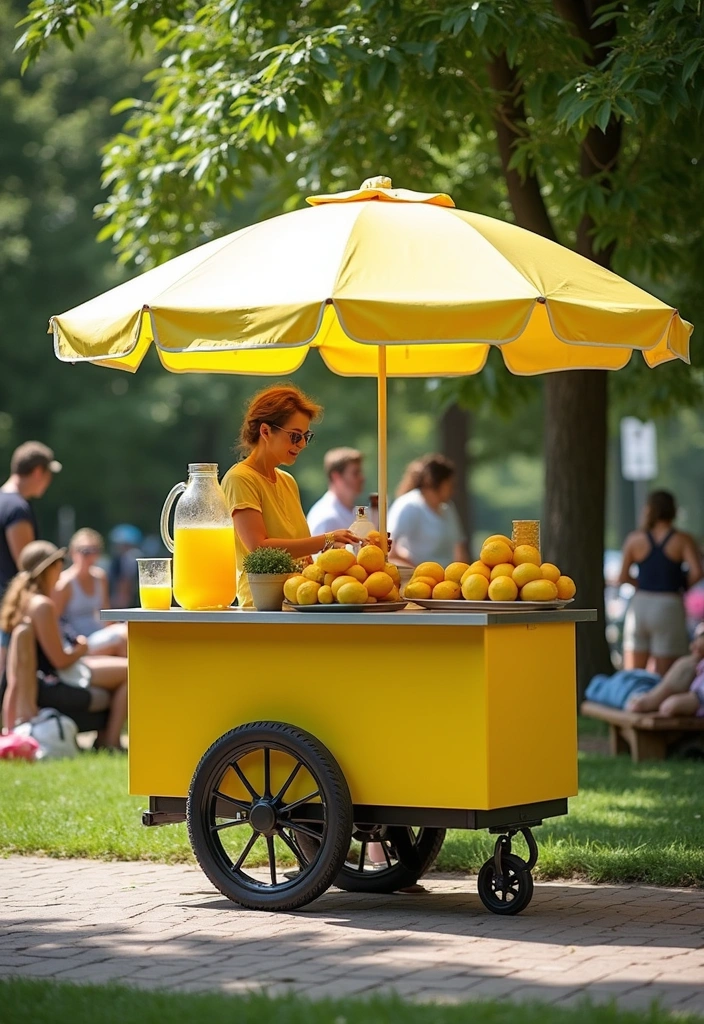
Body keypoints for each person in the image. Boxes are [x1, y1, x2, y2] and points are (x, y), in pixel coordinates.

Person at [221, 385, 358, 608]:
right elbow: (259, 547)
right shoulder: (240, 479)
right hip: (264, 605)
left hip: (299, 599)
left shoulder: (287, 480)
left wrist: (352, 545)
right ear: (265, 431)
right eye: (295, 436)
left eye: (305, 437)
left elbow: (302, 557)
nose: (302, 444)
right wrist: (327, 539)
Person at [0, 541, 128, 750]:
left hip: (51, 676)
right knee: (130, 671)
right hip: (59, 678)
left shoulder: (24, 602)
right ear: (48, 569)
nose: (62, 568)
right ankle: (110, 741)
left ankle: (107, 739)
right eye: (58, 563)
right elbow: (59, 660)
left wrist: (8, 731)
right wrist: (81, 649)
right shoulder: (41, 605)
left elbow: (13, 676)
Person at [619, 490, 702, 675]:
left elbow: (622, 577)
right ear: (672, 510)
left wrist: (641, 583)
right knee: (668, 677)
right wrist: (681, 584)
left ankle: (632, 701)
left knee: (632, 674)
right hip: (668, 604)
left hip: (640, 605)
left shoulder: (635, 539)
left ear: (649, 510)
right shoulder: (682, 540)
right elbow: (697, 572)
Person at [0, 441, 62, 600]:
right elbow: (29, 567)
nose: (50, 480)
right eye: (49, 473)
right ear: (38, 472)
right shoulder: (17, 509)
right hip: (8, 607)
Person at [53, 528, 127, 656]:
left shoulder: (100, 577)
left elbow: (105, 614)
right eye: (85, 551)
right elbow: (55, 622)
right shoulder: (64, 583)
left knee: (128, 633)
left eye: (95, 551)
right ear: (73, 552)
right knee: (122, 636)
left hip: (99, 636)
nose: (90, 556)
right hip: (79, 643)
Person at [388, 454, 470, 568]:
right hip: (416, 579)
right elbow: (389, 548)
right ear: (436, 482)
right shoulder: (409, 505)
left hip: (446, 581)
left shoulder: (448, 508)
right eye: (449, 484)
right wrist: (419, 569)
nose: (453, 489)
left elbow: (459, 551)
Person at [626, 621, 704, 717]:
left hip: (644, 692)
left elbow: (672, 706)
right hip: (648, 687)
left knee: (610, 684)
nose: (692, 646)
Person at [307, 448, 366, 535]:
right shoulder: (326, 518)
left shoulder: (351, 512)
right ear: (336, 477)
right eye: (355, 473)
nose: (362, 478)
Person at [108, 524, 143, 608]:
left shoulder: (130, 557)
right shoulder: (118, 559)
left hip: (129, 602)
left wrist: (121, 599)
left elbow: (125, 580)